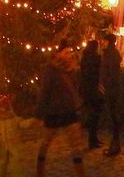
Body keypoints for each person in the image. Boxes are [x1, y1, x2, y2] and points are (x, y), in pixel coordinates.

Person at [35, 39, 86, 177]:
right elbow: (44, 92)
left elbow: (75, 88)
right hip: (54, 112)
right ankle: (40, 171)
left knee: (76, 145)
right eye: (66, 52)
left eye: (70, 51)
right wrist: (39, 114)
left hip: (69, 111)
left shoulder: (71, 69)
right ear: (58, 54)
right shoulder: (50, 70)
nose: (69, 54)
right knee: (46, 142)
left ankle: (81, 174)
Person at [99, 32, 122, 156]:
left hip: (111, 88)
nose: (102, 42)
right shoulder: (114, 53)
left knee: (112, 116)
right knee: (113, 115)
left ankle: (115, 145)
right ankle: (115, 143)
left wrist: (105, 84)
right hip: (113, 87)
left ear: (108, 41)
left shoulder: (109, 54)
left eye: (104, 40)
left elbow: (110, 71)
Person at [78, 38, 103, 149]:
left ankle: (94, 138)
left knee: (92, 114)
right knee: (94, 115)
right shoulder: (93, 59)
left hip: (87, 90)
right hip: (92, 90)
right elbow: (94, 74)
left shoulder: (85, 58)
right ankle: (92, 140)